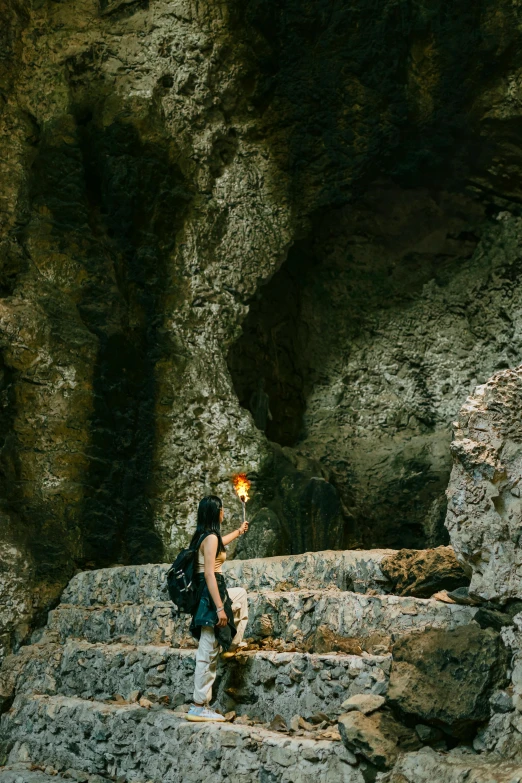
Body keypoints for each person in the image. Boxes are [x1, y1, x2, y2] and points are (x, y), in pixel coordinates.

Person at [186, 495, 249, 722]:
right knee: (207, 651)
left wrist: (239, 531)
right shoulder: (210, 538)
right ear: (216, 512)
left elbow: (220, 543)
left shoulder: (205, 536)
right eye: (221, 509)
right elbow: (210, 574)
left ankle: (230, 644)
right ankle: (198, 705)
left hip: (213, 593)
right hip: (210, 596)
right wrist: (220, 608)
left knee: (240, 595)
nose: (223, 512)